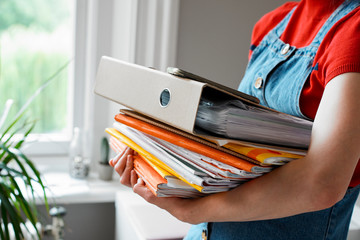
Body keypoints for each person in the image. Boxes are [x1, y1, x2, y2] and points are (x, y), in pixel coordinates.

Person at [110, 0, 360, 239]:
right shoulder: (273, 24)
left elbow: (323, 182)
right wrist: (157, 171)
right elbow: (238, 156)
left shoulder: (354, 29)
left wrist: (192, 211)